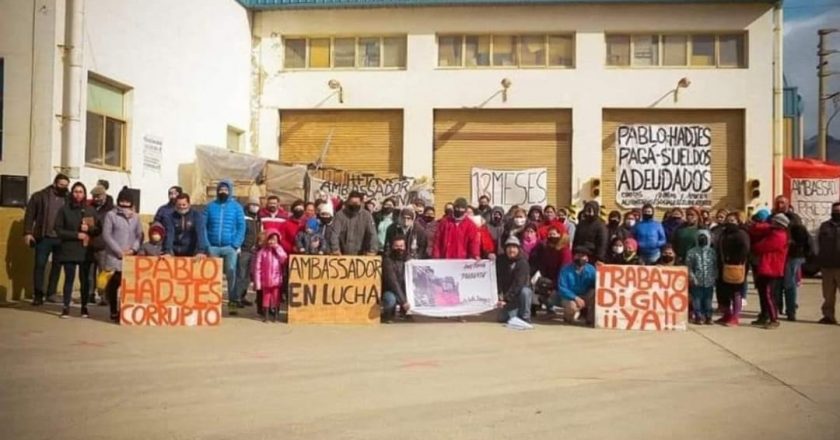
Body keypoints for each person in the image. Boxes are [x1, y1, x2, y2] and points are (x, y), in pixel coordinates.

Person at [24, 173, 69, 305]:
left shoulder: (68, 198)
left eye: (66, 186)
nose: (64, 188)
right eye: (61, 185)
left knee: (57, 266)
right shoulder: (40, 196)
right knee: (40, 265)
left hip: (61, 238)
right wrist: (27, 232)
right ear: (55, 183)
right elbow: (30, 215)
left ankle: (52, 293)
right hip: (43, 237)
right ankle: (38, 295)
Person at [54, 182, 98, 318]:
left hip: (85, 250)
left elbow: (97, 229)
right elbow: (58, 230)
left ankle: (84, 307)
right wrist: (76, 235)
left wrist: (89, 229)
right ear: (71, 193)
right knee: (69, 279)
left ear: (84, 194)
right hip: (69, 249)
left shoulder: (89, 210)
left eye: (81, 192)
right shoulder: (64, 209)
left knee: (85, 280)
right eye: (75, 191)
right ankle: (66, 307)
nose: (78, 194)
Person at [101, 188, 143, 323]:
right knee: (114, 285)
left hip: (130, 257)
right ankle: (113, 309)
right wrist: (119, 251)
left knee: (128, 286)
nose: (125, 204)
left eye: (127, 201)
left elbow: (139, 235)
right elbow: (107, 235)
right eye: (122, 201)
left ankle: (124, 311)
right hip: (115, 256)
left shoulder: (136, 217)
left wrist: (134, 249)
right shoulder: (111, 215)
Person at [204, 180, 246, 312]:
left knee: (231, 275)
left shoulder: (236, 207)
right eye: (221, 189)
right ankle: (211, 305)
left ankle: (232, 304)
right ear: (217, 191)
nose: (223, 192)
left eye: (226, 190)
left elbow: (241, 227)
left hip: (229, 247)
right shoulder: (210, 206)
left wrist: (235, 244)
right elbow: (203, 226)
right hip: (213, 247)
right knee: (211, 276)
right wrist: (207, 244)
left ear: (230, 191)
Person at [750, 214, 790, 329]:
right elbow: (757, 228)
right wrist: (758, 225)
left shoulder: (779, 236)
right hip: (765, 267)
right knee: (762, 293)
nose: (771, 223)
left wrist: (754, 246)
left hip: (772, 269)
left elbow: (762, 247)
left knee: (768, 294)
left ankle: (774, 319)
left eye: (774, 222)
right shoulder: (772, 231)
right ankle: (764, 315)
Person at [716, 212, 751, 326]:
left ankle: (735, 316)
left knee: (735, 292)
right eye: (728, 220)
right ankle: (727, 314)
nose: (730, 222)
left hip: (736, 266)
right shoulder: (723, 233)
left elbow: (745, 249)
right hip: (723, 266)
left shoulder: (741, 233)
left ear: (738, 221)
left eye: (733, 220)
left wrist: (734, 260)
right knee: (723, 292)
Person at [779, 209, 811, 320]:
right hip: (795, 257)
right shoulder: (799, 226)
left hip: (791, 257)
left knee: (789, 284)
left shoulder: (794, 229)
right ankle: (790, 308)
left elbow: (804, 243)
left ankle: (790, 310)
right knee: (790, 284)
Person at [495, 236, 533, 323]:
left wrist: (506, 299)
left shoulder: (523, 263)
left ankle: (526, 317)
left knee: (525, 291)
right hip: (509, 296)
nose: (511, 250)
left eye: (514, 247)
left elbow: (518, 284)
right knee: (501, 318)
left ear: (518, 249)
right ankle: (517, 313)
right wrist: (500, 296)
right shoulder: (501, 260)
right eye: (509, 247)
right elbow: (498, 278)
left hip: (519, 294)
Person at [556, 246, 597, 325]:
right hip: (570, 297)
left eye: (583, 256)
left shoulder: (591, 269)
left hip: (586, 295)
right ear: (574, 257)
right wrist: (575, 298)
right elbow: (562, 288)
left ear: (587, 258)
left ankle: (590, 319)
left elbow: (598, 283)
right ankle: (568, 317)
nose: (580, 258)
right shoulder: (565, 269)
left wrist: (601, 270)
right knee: (572, 307)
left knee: (595, 293)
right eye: (578, 255)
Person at [252, 231, 287, 323]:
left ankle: (275, 315)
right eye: (270, 239)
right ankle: (266, 315)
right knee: (266, 298)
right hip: (265, 280)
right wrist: (258, 282)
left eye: (274, 240)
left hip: (276, 280)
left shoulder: (279, 250)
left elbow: (284, 259)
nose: (272, 242)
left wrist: (277, 248)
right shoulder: (262, 252)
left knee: (276, 298)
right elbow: (257, 268)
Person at [330, 190, 379, 256]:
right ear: (348, 202)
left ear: (361, 203)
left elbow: (372, 234)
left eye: (356, 203)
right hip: (342, 253)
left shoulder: (367, 215)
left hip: (361, 254)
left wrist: (372, 250)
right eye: (352, 203)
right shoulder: (340, 215)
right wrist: (335, 249)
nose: (354, 205)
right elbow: (334, 234)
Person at [89, 184, 114, 306]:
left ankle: (104, 296)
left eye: (98, 196)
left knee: (103, 273)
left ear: (104, 195)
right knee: (89, 273)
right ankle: (90, 294)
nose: (96, 199)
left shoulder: (111, 210)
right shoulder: (90, 208)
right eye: (94, 196)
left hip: (104, 245)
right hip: (89, 244)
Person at [236, 196, 262, 309]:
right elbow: (239, 232)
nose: (255, 207)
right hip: (244, 250)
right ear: (248, 205)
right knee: (241, 275)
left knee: (248, 277)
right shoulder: (243, 217)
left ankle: (242, 296)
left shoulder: (257, 218)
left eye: (257, 205)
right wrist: (238, 247)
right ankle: (236, 300)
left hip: (254, 251)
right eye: (253, 204)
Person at [686, 230, 717, 325]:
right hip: (696, 281)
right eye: (700, 237)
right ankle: (699, 316)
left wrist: (714, 277)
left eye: (704, 237)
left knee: (708, 300)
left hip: (709, 280)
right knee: (697, 300)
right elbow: (689, 266)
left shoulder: (712, 252)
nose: (702, 239)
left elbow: (715, 266)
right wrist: (692, 277)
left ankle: (708, 316)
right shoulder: (692, 252)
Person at [817, 202, 840, 325]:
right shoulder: (825, 226)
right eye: (834, 211)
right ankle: (828, 316)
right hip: (827, 266)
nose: (836, 213)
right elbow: (818, 242)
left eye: (838, 211)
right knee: (828, 294)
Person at [381, 235, 412, 323]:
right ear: (392, 247)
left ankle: (406, 313)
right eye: (396, 246)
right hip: (390, 290)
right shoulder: (387, 261)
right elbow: (393, 283)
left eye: (401, 246)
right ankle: (388, 315)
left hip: (405, 289)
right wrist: (404, 301)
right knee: (390, 300)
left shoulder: (409, 260)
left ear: (405, 246)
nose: (399, 249)